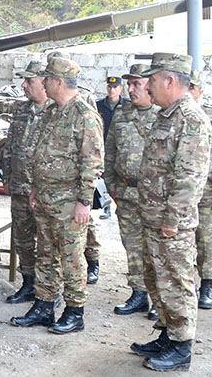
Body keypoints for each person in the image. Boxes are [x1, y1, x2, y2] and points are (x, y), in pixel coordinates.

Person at [129, 53, 211, 371]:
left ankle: (181, 346)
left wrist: (172, 220)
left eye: (151, 80)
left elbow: (190, 178)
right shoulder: (166, 116)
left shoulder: (191, 120)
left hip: (170, 223)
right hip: (152, 217)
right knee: (156, 279)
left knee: (176, 281)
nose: (147, 87)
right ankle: (166, 334)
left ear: (170, 80)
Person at [11, 55, 103, 335]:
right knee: (46, 254)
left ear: (59, 82)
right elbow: (41, 155)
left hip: (69, 201)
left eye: (47, 78)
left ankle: (75, 311)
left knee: (71, 257)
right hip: (47, 197)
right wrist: (36, 188)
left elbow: (92, 162)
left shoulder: (84, 115)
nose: (44, 82)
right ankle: (44, 304)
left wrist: (84, 202)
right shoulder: (53, 112)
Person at [103, 63, 158, 316]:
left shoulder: (163, 114)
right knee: (133, 246)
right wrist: (113, 186)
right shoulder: (122, 114)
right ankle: (139, 294)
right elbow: (110, 151)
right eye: (130, 83)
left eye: (136, 83)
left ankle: (161, 302)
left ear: (150, 84)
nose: (130, 88)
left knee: (157, 250)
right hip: (126, 194)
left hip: (155, 198)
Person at [3, 60, 48, 305]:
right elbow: (10, 146)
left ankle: (48, 289)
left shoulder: (56, 111)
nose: (24, 85)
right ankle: (28, 282)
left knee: (47, 243)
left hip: (44, 192)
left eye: (29, 81)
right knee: (22, 238)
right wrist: (7, 176)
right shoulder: (21, 110)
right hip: (20, 187)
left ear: (44, 82)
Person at [189, 72, 212, 310]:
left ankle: (208, 284)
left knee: (205, 239)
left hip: (207, 188)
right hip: (183, 191)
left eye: (194, 87)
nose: (190, 91)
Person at [96, 76, 126, 221]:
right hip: (103, 146)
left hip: (120, 148)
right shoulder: (99, 105)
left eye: (115, 87)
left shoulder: (127, 105)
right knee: (103, 178)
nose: (112, 90)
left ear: (120, 88)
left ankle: (120, 206)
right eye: (109, 87)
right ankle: (106, 207)